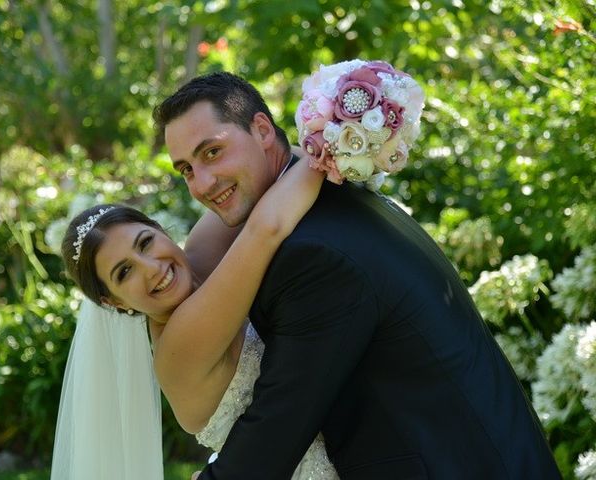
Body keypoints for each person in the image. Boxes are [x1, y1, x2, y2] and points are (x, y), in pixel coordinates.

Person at [153, 70, 562, 478]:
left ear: (262, 129)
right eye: (186, 169)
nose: (202, 184)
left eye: (212, 153)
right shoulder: (331, 196)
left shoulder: (311, 254)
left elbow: (276, 431)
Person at [51, 157, 338, 479]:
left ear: (160, 230)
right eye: (125, 272)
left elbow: (269, 168)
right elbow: (267, 228)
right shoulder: (178, 346)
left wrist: (328, 120)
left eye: (145, 243)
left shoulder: (200, 254)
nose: (152, 268)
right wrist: (330, 146)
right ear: (114, 302)